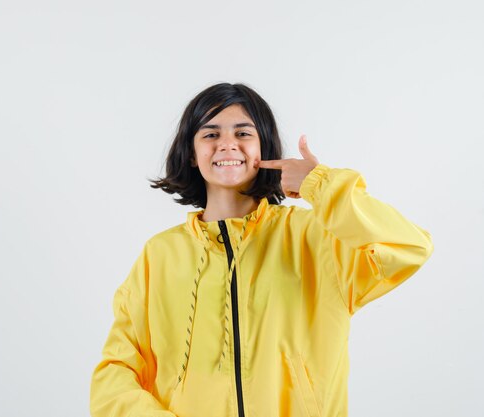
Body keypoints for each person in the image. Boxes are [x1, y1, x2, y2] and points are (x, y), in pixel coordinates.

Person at [89, 82, 433, 417]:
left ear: (263, 150)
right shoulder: (160, 255)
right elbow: (115, 374)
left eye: (243, 133)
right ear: (192, 155)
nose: (227, 144)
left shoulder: (315, 238)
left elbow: (408, 246)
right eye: (210, 134)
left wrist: (320, 186)